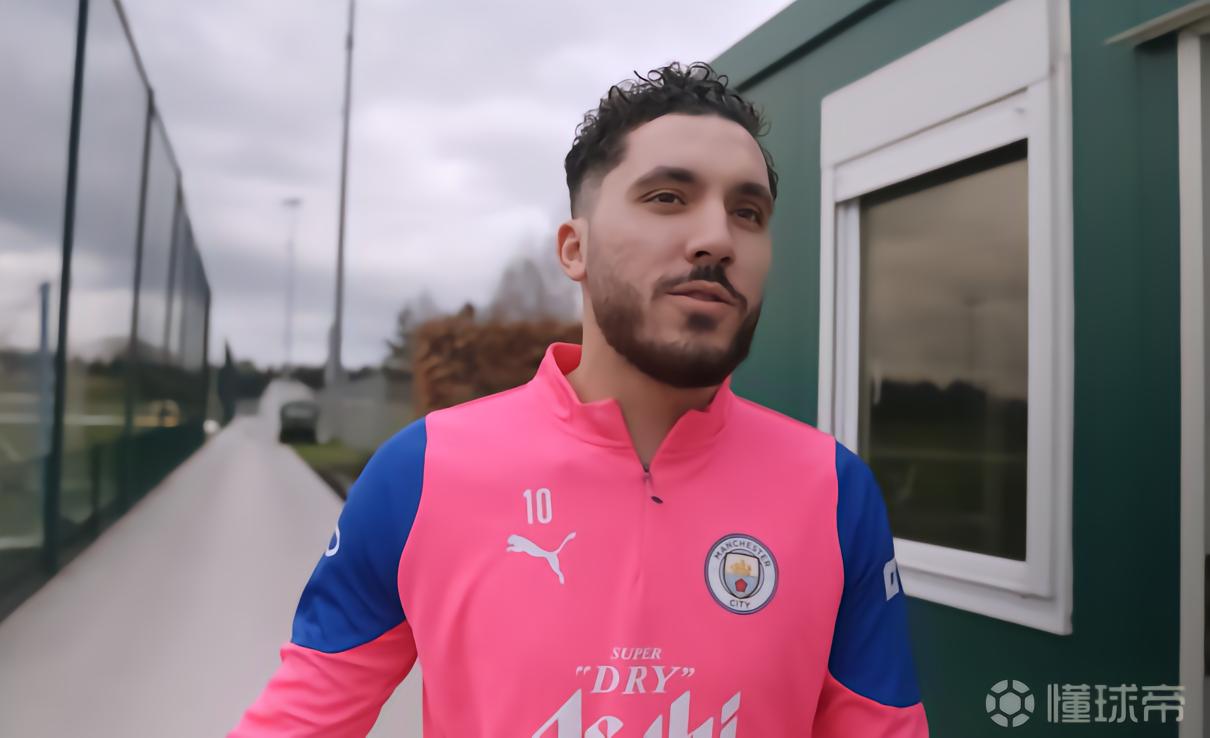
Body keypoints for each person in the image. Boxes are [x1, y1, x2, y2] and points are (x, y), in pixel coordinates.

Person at [230, 61, 929, 737]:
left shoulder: (833, 491)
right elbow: (302, 717)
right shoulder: (421, 471)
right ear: (574, 249)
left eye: (747, 212)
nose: (717, 238)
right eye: (668, 198)